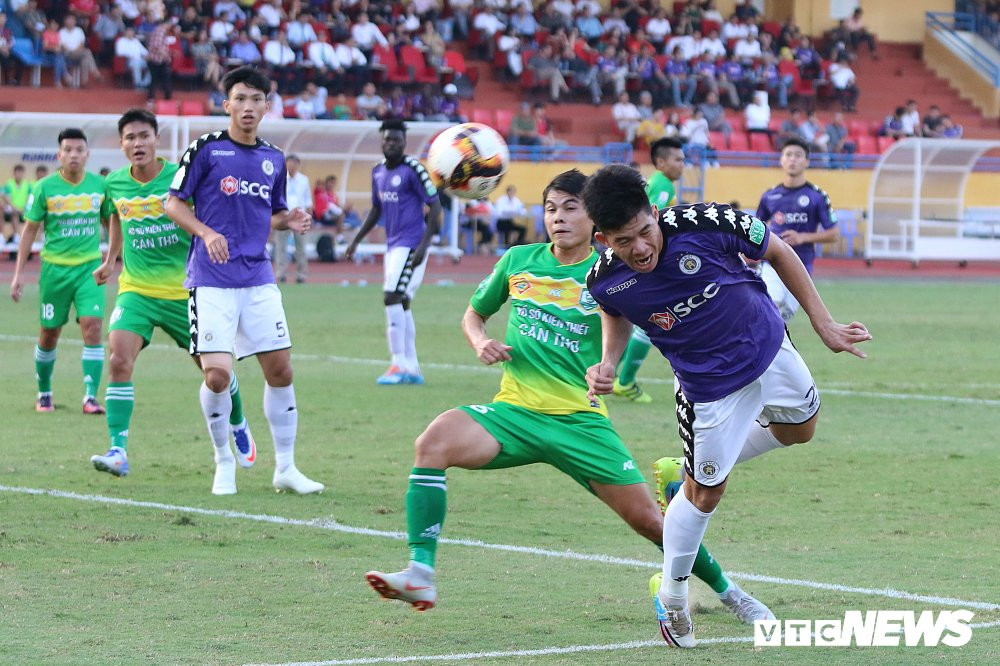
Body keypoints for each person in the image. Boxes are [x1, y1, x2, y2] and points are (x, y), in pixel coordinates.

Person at [364, 170, 774, 627]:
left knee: (653, 524)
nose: (558, 218)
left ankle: (729, 593)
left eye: (570, 208)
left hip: (581, 421)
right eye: (551, 209)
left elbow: (626, 327)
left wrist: (607, 367)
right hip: (514, 413)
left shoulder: (611, 274)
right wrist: (479, 340)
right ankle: (421, 571)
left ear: (594, 220)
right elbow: (474, 315)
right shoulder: (518, 260)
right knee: (433, 442)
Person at [581, 164, 871, 648]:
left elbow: (778, 250)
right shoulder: (605, 280)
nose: (639, 249)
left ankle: (685, 471)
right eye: (622, 241)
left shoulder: (707, 222)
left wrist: (825, 325)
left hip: (769, 347)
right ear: (604, 239)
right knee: (706, 496)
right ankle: (672, 597)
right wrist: (607, 362)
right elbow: (614, 313)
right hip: (707, 389)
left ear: (656, 213)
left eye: (644, 232)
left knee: (801, 429)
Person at [164, 66, 323, 496]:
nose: (248, 107)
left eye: (256, 99)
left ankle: (286, 468)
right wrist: (207, 232)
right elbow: (173, 204)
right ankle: (223, 462)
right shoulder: (206, 150)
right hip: (211, 280)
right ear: (226, 104)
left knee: (282, 370)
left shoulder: (273, 159)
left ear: (267, 107)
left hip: (257, 278)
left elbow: (270, 215)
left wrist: (289, 220)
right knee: (216, 377)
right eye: (240, 99)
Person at [88, 108, 255, 477]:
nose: (137, 144)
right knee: (117, 359)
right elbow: (116, 216)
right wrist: (111, 258)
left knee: (216, 374)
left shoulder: (180, 176)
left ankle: (239, 422)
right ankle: (118, 449)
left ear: (156, 139)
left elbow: (209, 215)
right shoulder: (114, 183)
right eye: (130, 138)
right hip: (137, 291)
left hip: (186, 291)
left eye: (144, 136)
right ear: (121, 144)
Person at [9, 128, 107, 414]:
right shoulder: (45, 188)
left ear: (87, 154)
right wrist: (18, 274)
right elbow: (29, 230)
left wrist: (113, 257)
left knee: (93, 327)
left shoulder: (100, 186)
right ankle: (44, 393)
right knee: (49, 334)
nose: (74, 154)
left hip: (89, 269)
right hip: (54, 271)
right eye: (68, 150)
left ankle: (90, 397)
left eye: (79, 150)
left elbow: (111, 221)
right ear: (59, 155)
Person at [343, 118, 442, 386]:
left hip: (411, 244)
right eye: (388, 139)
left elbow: (435, 206)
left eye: (397, 140)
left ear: (404, 143)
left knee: (391, 297)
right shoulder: (377, 172)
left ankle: (398, 363)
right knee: (402, 303)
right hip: (393, 246)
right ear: (382, 141)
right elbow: (376, 210)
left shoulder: (414, 169)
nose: (392, 144)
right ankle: (412, 366)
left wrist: (424, 245)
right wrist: (356, 240)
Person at [612, 137, 685, 406]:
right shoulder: (662, 185)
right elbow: (648, 222)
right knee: (653, 320)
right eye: (678, 160)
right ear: (661, 162)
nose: (682, 165)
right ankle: (625, 381)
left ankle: (615, 377)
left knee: (635, 321)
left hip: (640, 258)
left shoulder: (657, 183)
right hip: (648, 260)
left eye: (683, 160)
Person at [754, 138, 838, 321]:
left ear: (806, 161)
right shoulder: (770, 196)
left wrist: (802, 238)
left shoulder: (817, 196)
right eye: (788, 155)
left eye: (798, 155)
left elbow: (833, 234)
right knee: (769, 307)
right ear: (781, 160)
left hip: (802, 267)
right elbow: (754, 229)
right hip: (772, 263)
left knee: (781, 321)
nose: (793, 159)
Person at [273, 154, 312, 283]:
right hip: (284, 216)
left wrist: (309, 218)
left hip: (300, 217)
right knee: (281, 247)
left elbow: (308, 200)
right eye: (289, 163)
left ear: (298, 164)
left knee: (301, 247)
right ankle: (280, 273)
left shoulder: (304, 180)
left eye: (294, 163)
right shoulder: (280, 178)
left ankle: (301, 275)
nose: (292, 166)